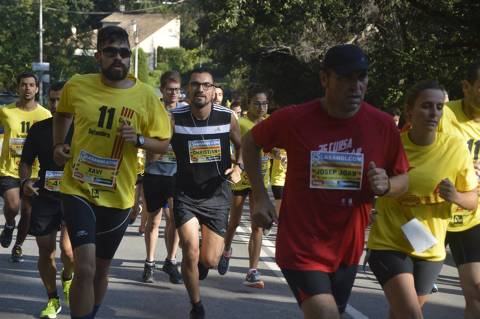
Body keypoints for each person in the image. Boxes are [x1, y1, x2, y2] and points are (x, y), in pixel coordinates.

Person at [241, 44, 409, 319]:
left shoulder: (382, 125)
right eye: (344, 78)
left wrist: (388, 185)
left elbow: (404, 178)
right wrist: (260, 196)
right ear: (324, 79)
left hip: (346, 248)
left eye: (361, 77)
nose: (355, 86)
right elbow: (250, 143)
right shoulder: (296, 118)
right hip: (301, 246)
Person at [52, 26, 171, 319]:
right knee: (84, 267)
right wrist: (58, 145)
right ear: (98, 56)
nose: (118, 58)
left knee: (100, 272)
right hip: (77, 189)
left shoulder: (145, 95)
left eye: (124, 53)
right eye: (111, 52)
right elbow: (63, 114)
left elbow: (164, 141)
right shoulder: (77, 85)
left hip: (118, 197)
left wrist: (139, 140)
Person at [367, 80, 478, 319]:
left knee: (401, 314)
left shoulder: (456, 148)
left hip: (430, 247)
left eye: (439, 107)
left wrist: (456, 196)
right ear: (410, 111)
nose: (434, 113)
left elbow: (472, 201)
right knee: (411, 315)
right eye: (427, 106)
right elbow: (374, 183)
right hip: (390, 243)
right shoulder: (393, 144)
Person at [170, 68, 242, 318]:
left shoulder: (227, 117)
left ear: (213, 90)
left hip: (216, 194)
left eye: (206, 85)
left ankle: (201, 260)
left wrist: (239, 166)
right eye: (195, 85)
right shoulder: (174, 116)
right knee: (189, 248)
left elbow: (243, 144)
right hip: (185, 194)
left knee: (210, 260)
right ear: (187, 89)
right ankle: (196, 305)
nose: (200, 89)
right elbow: (157, 141)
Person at [20, 81, 75, 318]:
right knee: (46, 250)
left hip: (75, 194)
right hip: (45, 194)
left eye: (60, 100)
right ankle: (52, 299)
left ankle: (68, 276)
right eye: (52, 99)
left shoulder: (83, 128)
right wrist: (24, 182)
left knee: (69, 252)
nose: (55, 104)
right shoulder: (39, 129)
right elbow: (25, 161)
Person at [217, 87, 271, 289]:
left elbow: (273, 149)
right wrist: (240, 162)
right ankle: (227, 250)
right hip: (241, 179)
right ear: (249, 103)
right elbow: (232, 149)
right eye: (257, 103)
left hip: (260, 181)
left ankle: (252, 271)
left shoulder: (269, 124)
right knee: (234, 222)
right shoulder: (240, 123)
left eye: (265, 103)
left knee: (257, 224)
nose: (261, 107)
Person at [438, 61, 480, 318]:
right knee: (412, 300)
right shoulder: (442, 113)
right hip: (431, 212)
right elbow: (413, 153)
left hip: (470, 216)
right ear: (466, 87)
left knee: (476, 291)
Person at [0, 71, 52, 262]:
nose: (27, 88)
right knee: (13, 206)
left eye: (31, 85)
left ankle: (18, 246)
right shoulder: (6, 111)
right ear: (18, 88)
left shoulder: (45, 114)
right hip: (9, 168)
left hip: (35, 170)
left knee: (28, 211)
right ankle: (9, 223)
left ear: (37, 89)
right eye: (23, 85)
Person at [141, 70, 183, 285]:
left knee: (175, 218)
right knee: (154, 219)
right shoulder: (154, 110)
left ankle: (171, 259)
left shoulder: (185, 112)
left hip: (176, 173)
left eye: (177, 90)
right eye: (170, 89)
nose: (174, 94)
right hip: (154, 171)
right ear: (162, 90)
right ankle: (149, 263)